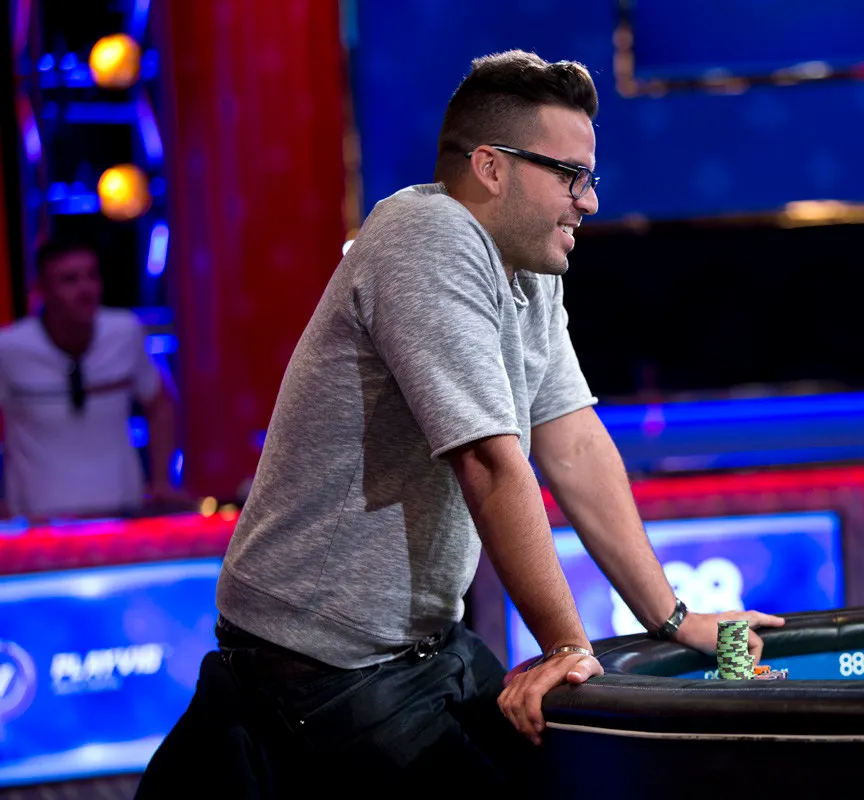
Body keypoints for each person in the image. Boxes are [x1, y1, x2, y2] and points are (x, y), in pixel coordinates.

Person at [195, 50, 784, 790]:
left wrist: (672, 618)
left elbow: (572, 443)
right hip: (314, 664)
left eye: (590, 179)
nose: (588, 201)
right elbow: (489, 462)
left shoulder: (528, 270)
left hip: (421, 647)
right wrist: (566, 646)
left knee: (571, 770)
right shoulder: (424, 234)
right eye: (570, 176)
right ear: (491, 168)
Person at [0, 237, 184, 520]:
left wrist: (162, 482)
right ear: (41, 291)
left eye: (92, 276)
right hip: (38, 522)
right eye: (70, 280)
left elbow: (160, 404)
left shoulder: (125, 332)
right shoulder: (10, 348)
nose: (85, 289)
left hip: (123, 514)